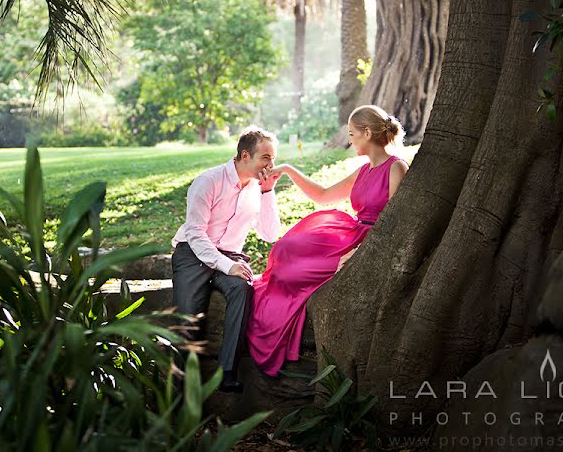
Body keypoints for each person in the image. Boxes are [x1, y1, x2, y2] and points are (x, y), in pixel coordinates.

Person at [246, 105, 409, 377]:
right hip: (354, 234)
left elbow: (394, 223)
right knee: (287, 248)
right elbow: (322, 195)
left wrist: (360, 251)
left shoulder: (397, 168)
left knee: (294, 272)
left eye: (353, 134)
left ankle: (276, 316)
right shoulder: (363, 170)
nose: (350, 140)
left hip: (371, 242)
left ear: (367, 133)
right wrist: (286, 170)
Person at [171, 126, 282, 393]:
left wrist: (268, 193)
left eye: (273, 158)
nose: (271, 165)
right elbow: (196, 234)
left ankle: (227, 372)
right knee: (189, 322)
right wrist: (226, 265)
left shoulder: (257, 188)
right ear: (245, 156)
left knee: (242, 289)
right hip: (192, 254)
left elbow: (270, 234)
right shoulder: (208, 181)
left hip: (229, 256)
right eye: (265, 158)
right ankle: (178, 395)